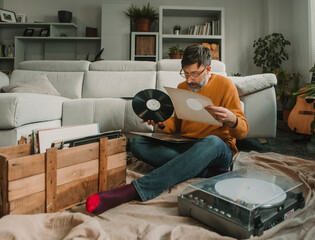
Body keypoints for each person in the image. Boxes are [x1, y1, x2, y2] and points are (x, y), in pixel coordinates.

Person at [86, 44, 249, 214]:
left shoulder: (226, 85)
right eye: (185, 73)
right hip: (188, 145)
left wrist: (232, 119)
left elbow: (243, 131)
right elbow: (176, 125)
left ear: (208, 69)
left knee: (212, 141)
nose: (189, 80)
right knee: (139, 143)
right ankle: (205, 171)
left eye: (194, 74)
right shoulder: (182, 88)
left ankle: (132, 191)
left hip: (217, 150)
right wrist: (161, 122)